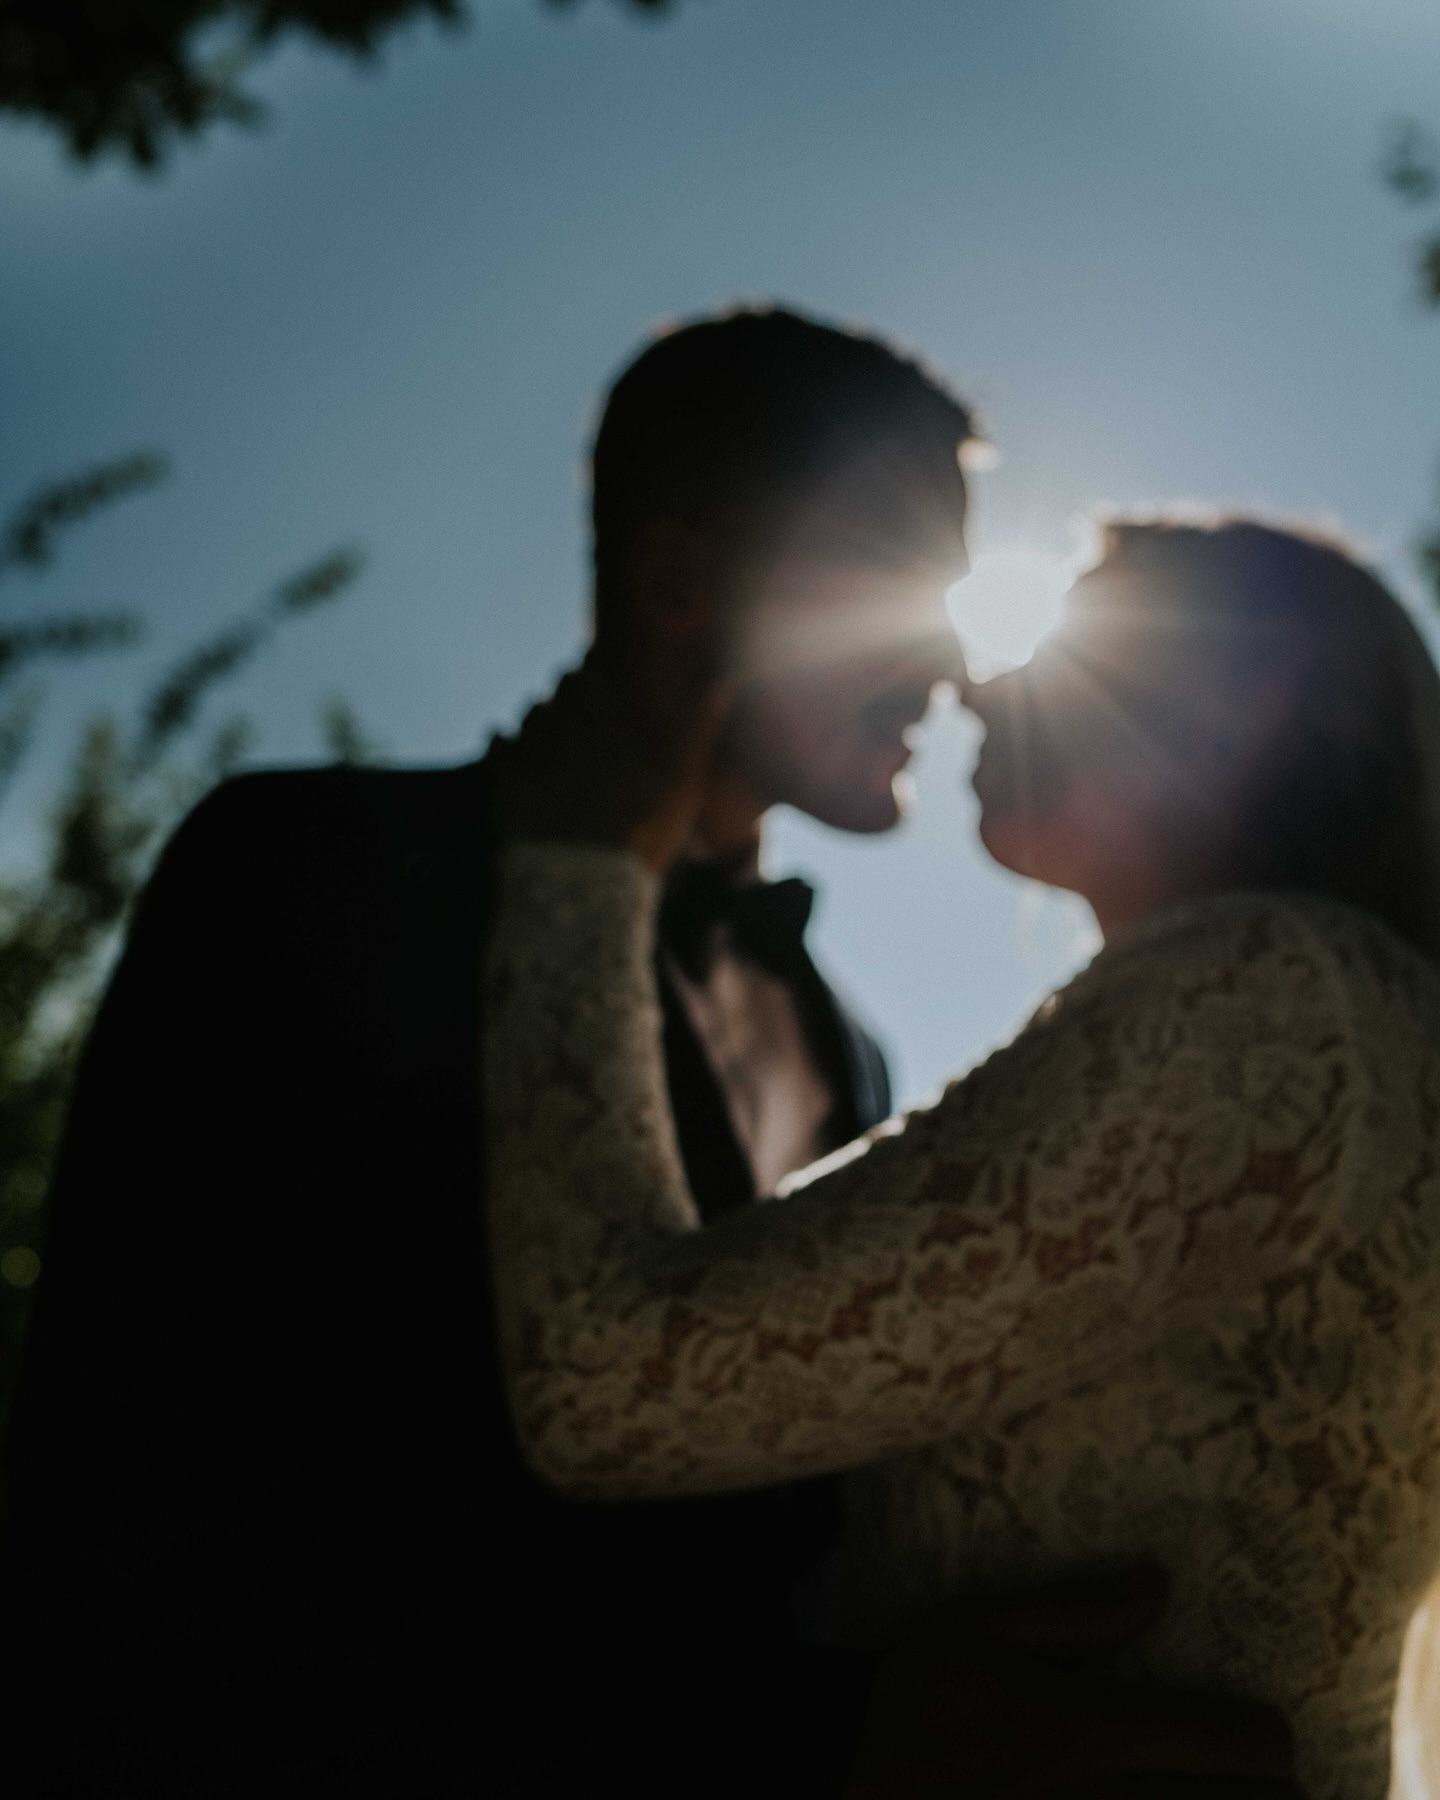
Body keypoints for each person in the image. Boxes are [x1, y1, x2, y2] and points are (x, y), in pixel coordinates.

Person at [1, 309, 1293, 1798]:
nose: (952, 657)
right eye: (900, 584)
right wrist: (803, 1735)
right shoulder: (305, 874)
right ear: (683, 584)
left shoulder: (848, 1049)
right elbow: (133, 1520)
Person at [483, 514, 1440, 1799]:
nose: (984, 683)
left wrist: (576, 869)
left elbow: (598, 1381)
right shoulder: (1311, 1022)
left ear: (1259, 693)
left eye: (1077, 633)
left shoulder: (1264, 1004)